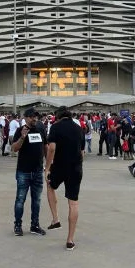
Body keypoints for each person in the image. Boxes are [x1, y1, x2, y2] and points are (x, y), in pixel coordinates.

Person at [45, 107, 85, 251]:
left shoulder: (55, 128)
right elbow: (82, 152)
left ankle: (55, 219)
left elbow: (51, 149)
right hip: (75, 167)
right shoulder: (78, 128)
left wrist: (47, 167)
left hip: (60, 166)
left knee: (50, 185)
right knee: (73, 203)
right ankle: (70, 240)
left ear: (57, 116)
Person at [11, 107, 47, 236]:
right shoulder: (20, 131)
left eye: (36, 116)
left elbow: (45, 147)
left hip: (37, 171)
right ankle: (18, 225)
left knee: (36, 200)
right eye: (32, 116)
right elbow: (14, 149)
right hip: (23, 172)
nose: (34, 118)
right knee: (20, 200)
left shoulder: (40, 129)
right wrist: (22, 137)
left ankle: (35, 225)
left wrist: (48, 165)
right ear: (25, 118)